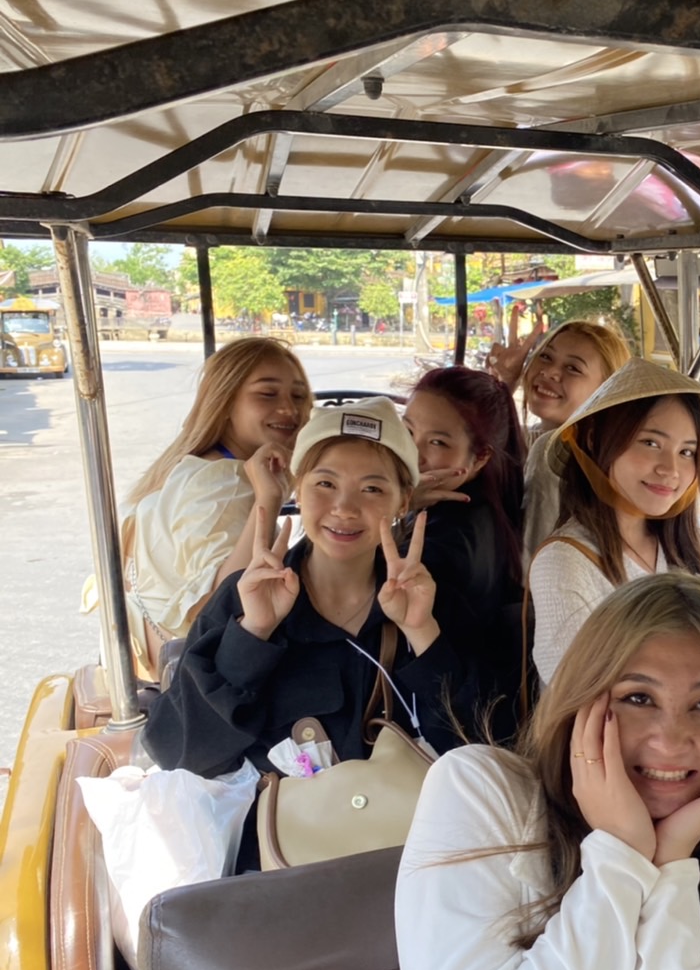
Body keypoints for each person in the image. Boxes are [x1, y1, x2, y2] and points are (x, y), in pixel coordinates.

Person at [342, 572, 700, 970]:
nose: (670, 739)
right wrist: (621, 857)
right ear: (584, 702)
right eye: (638, 697)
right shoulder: (481, 792)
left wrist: (670, 870)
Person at [144, 398, 475, 801]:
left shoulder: (433, 601)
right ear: (297, 489)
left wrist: (422, 633)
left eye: (372, 488)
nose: (344, 508)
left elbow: (480, 754)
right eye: (325, 484)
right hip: (281, 837)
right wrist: (253, 634)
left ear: (403, 501)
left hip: (410, 834)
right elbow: (180, 754)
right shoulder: (245, 598)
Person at [527, 358, 700, 685]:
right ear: (595, 441)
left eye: (686, 452)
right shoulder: (564, 561)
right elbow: (579, 691)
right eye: (651, 443)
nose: (670, 469)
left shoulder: (699, 543)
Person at [119, 338, 312, 677]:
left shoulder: (198, 465)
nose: (289, 409)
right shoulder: (222, 481)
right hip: (199, 673)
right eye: (267, 394)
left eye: (298, 396)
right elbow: (214, 609)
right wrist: (268, 501)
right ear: (225, 402)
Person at [402, 368, 528, 737]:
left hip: (437, 723)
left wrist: (394, 505)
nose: (413, 454)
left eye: (437, 443)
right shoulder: (485, 508)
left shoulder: (444, 539)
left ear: (480, 458)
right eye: (407, 432)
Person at [515, 319, 632, 562]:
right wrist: (504, 382)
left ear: (606, 391)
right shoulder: (533, 436)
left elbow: (532, 559)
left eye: (573, 368)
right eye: (545, 357)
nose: (549, 372)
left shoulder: (556, 453)